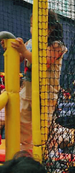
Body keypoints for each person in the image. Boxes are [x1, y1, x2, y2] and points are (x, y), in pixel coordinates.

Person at [3, 10, 67, 153]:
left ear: (50, 29)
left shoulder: (56, 45)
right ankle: (26, 153)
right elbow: (20, 58)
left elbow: (44, 62)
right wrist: (12, 48)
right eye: (32, 25)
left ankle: (49, 154)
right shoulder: (31, 42)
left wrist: (24, 51)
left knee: (44, 126)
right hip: (27, 90)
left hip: (45, 93)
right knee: (23, 124)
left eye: (37, 25)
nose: (33, 28)